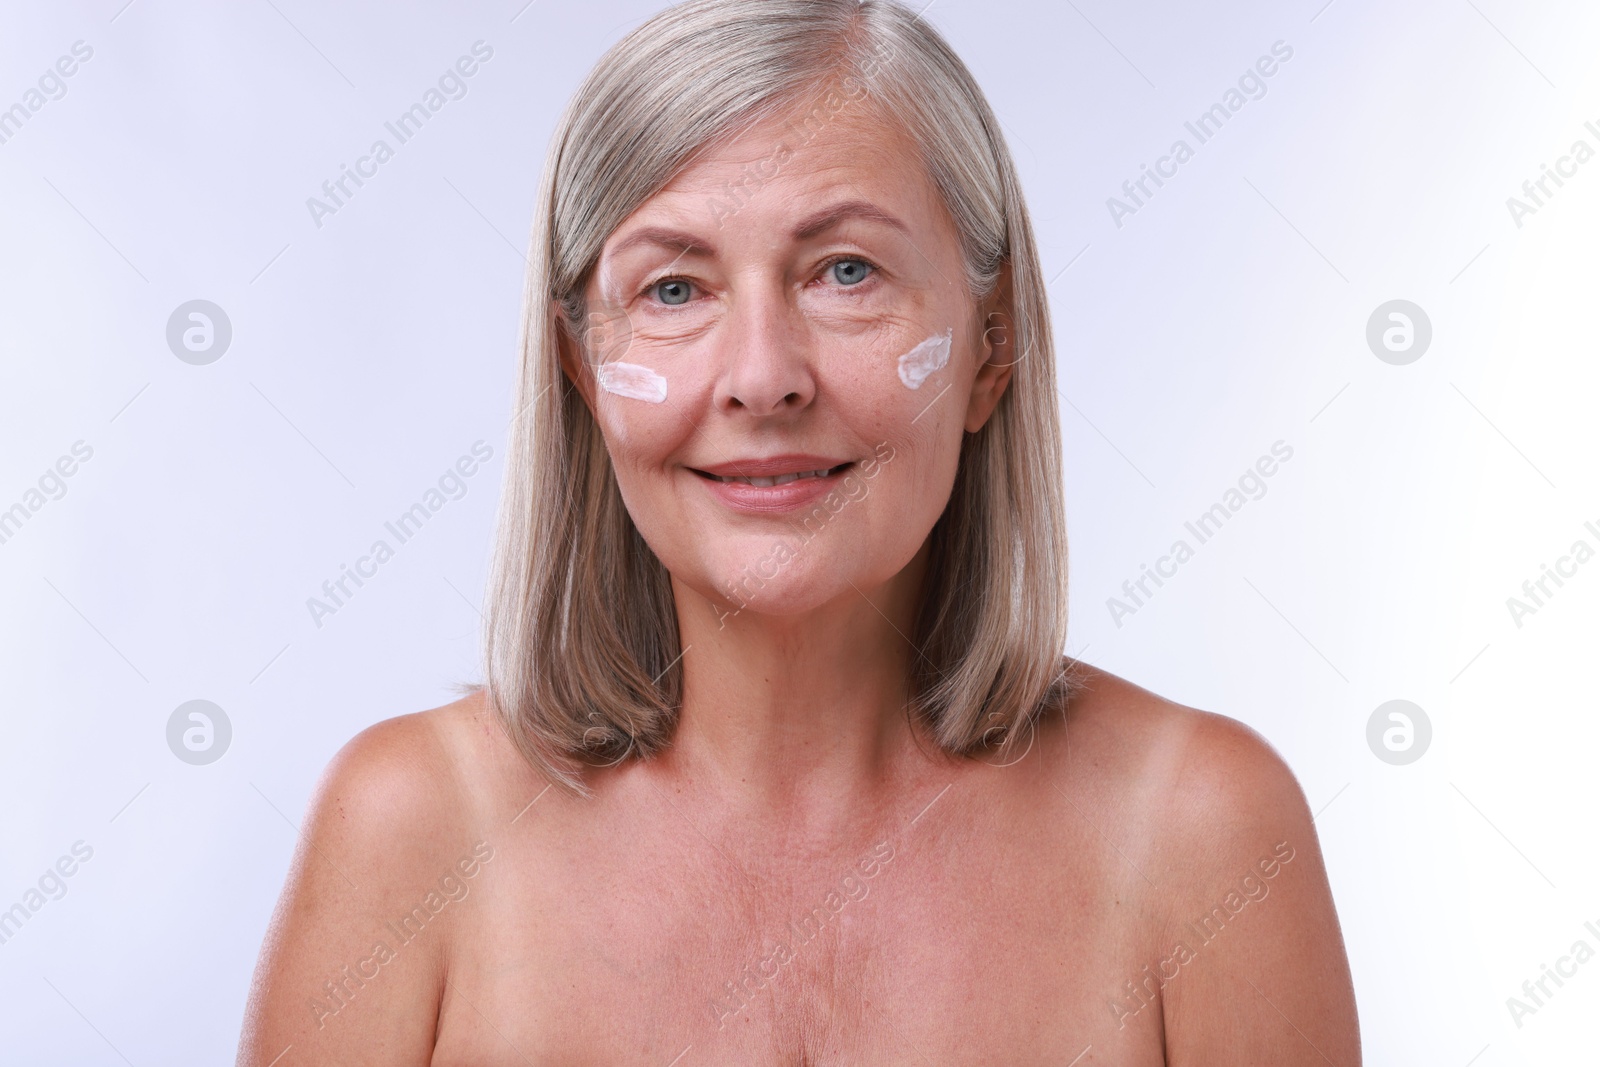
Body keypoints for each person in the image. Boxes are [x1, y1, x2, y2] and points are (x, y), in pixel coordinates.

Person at [238, 1, 1360, 1062]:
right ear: (580, 366)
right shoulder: (412, 832)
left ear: (992, 346)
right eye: (674, 290)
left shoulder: (1200, 836)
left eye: (845, 271)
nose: (763, 377)